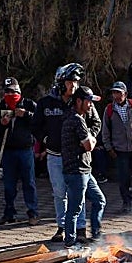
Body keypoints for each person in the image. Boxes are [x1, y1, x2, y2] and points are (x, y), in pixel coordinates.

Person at [35, 64, 90, 242]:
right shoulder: (45, 103)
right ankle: (62, 227)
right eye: (69, 82)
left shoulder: (81, 101)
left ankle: (80, 229)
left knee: (77, 193)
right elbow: (35, 125)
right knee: (59, 192)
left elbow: (95, 122)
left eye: (75, 82)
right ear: (60, 82)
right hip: (55, 155)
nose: (73, 86)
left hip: (77, 157)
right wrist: (45, 140)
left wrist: (89, 138)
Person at [0, 77, 40, 224]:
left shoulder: (29, 104)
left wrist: (26, 115)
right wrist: (2, 123)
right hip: (8, 151)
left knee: (28, 182)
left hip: (25, 150)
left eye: (13, 91)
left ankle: (33, 213)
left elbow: (39, 122)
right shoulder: (0, 107)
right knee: (9, 185)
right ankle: (9, 213)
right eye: (7, 92)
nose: (10, 95)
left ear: (19, 91)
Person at [61, 86, 105, 248]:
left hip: (85, 170)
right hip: (76, 171)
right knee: (74, 209)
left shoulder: (77, 117)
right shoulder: (77, 120)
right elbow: (88, 146)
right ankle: (70, 243)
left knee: (99, 200)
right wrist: (91, 140)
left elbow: (88, 141)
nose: (91, 105)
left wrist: (90, 139)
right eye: (88, 102)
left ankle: (96, 234)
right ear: (78, 101)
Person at [101, 80, 132, 213]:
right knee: (124, 179)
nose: (116, 96)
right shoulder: (109, 110)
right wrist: (109, 147)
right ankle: (126, 204)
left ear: (125, 94)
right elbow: (105, 130)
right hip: (120, 150)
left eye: (118, 92)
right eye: (114, 93)